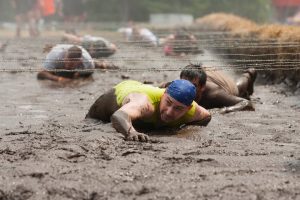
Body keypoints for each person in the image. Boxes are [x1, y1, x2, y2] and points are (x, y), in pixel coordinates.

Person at [86, 80, 211, 142]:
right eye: (168, 103)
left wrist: (183, 131)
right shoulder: (145, 103)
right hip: (114, 97)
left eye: (178, 109)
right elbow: (119, 116)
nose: (169, 112)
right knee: (89, 125)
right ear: (163, 95)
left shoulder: (194, 112)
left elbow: (207, 117)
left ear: (188, 109)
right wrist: (131, 133)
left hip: (139, 93)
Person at [161, 64, 257, 114]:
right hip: (202, 75)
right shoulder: (177, 86)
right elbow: (158, 87)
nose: (187, 88)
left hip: (224, 84)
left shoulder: (214, 94)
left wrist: (225, 110)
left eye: (193, 86)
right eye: (185, 83)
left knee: (238, 89)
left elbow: (247, 103)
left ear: (202, 87)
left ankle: (248, 74)